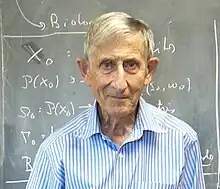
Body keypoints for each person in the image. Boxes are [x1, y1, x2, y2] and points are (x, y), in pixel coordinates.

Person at [26, 12, 206, 189]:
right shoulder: (56, 151)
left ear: (149, 71)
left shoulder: (182, 142)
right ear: (86, 71)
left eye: (131, 65)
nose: (120, 84)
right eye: (107, 65)